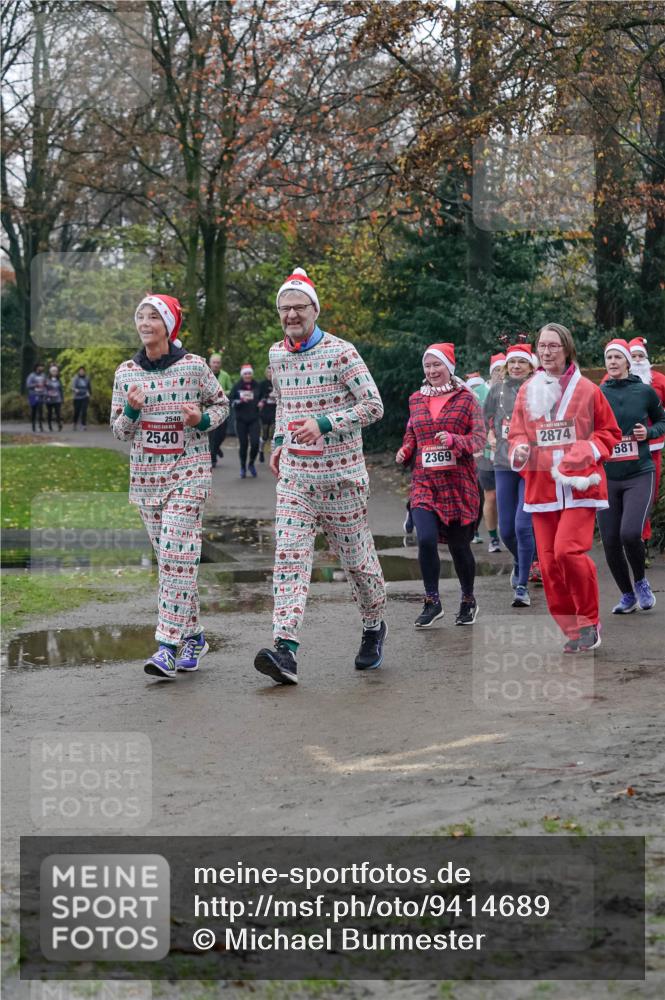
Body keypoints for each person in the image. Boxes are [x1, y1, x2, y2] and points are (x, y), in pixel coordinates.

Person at [254, 267, 386, 685]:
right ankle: (285, 650)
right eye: (284, 309)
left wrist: (326, 423)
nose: (291, 315)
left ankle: (373, 624)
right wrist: (278, 441)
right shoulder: (276, 355)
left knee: (359, 565)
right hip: (296, 478)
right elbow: (284, 404)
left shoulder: (342, 353)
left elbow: (374, 406)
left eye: (299, 307)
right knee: (290, 558)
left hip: (342, 479)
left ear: (315, 309)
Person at [110, 293, 229, 679]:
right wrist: (131, 408)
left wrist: (200, 420)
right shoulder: (126, 372)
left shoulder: (194, 367)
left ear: (169, 325)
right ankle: (194, 635)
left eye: (153, 317)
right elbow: (118, 431)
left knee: (177, 556)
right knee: (173, 562)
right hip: (146, 481)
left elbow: (221, 405)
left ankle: (166, 646)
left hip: (189, 474)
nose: (145, 323)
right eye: (140, 317)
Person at [507, 323, 621, 653]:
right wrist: (520, 450)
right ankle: (572, 629)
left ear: (567, 349)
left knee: (567, 551)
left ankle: (589, 620)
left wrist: (588, 450)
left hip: (580, 485)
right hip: (542, 488)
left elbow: (609, 433)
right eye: (542, 346)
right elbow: (516, 434)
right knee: (549, 563)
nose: (547, 351)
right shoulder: (527, 390)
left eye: (554, 346)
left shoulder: (587, 390)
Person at [396, 343, 486, 628]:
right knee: (424, 539)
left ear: (450, 368)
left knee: (460, 548)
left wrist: (455, 440)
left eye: (438, 365)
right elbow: (413, 434)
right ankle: (432, 601)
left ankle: (468, 599)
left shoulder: (467, 399)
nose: (432, 371)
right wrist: (405, 450)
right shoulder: (415, 399)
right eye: (428, 366)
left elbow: (479, 440)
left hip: (459, 484)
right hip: (425, 482)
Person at [598, 339, 665, 613]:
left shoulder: (645, 391)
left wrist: (647, 433)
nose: (612, 362)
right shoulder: (597, 393)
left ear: (627, 362)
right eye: (608, 357)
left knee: (629, 532)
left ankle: (640, 582)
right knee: (611, 540)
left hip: (639, 472)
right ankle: (627, 595)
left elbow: (662, 421)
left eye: (617, 357)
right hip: (607, 475)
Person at [484, 342, 537, 607]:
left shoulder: (539, 390)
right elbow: (486, 420)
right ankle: (522, 560)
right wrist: (492, 436)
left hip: (532, 465)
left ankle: (522, 585)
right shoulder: (496, 391)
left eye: (521, 362)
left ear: (530, 367)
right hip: (504, 464)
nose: (516, 366)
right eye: (512, 362)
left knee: (523, 526)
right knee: (506, 530)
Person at [628, 337, 665, 553]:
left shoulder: (659, 380)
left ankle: (642, 540)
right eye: (633, 356)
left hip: (653, 446)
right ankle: (637, 541)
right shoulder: (613, 380)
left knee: (649, 495)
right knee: (631, 494)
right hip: (625, 448)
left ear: (647, 358)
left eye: (640, 356)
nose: (637, 360)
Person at [466, 369, 501, 552]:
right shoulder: (478, 392)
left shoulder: (514, 389)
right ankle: (493, 538)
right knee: (490, 495)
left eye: (502, 369)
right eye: (496, 370)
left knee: (506, 495)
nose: (500, 373)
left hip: (509, 455)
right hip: (485, 454)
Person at [230, 364, 262, 478]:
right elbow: (231, 401)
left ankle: (251, 463)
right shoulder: (237, 386)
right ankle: (243, 466)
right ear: (242, 375)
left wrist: (261, 402)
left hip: (254, 419)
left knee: (255, 443)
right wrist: (239, 401)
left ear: (252, 374)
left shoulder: (257, 385)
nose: (247, 375)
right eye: (245, 374)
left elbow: (263, 397)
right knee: (243, 444)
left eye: (249, 373)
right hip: (241, 420)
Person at [208, 352, 233, 467]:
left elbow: (230, 390)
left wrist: (221, 393)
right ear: (210, 363)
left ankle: (216, 448)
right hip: (208, 409)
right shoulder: (205, 374)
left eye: (218, 362)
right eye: (214, 362)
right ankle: (213, 458)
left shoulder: (225, 375)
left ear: (221, 364)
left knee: (222, 434)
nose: (216, 365)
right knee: (212, 435)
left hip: (222, 408)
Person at [258, 365, 277, 464]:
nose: (270, 374)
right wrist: (268, 395)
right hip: (265, 411)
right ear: (266, 373)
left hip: (275, 410)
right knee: (265, 435)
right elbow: (258, 396)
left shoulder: (277, 382)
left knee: (274, 434)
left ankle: (273, 456)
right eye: (269, 372)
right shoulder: (262, 384)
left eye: (272, 372)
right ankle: (261, 451)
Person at [26, 363, 46, 432]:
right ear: (37, 368)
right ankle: (33, 425)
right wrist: (35, 385)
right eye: (41, 367)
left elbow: (45, 384)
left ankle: (40, 426)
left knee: (40, 410)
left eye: (42, 367)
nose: (42, 369)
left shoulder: (43, 375)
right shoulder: (31, 375)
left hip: (40, 395)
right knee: (34, 410)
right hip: (33, 395)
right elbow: (28, 385)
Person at [45, 364, 64, 431]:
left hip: (57, 399)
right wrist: (46, 395)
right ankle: (50, 425)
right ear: (50, 372)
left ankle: (59, 424)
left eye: (55, 371)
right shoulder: (47, 380)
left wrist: (62, 398)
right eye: (53, 371)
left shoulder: (59, 380)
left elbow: (61, 390)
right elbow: (45, 389)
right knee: (49, 413)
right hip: (49, 399)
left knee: (58, 412)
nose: (54, 372)